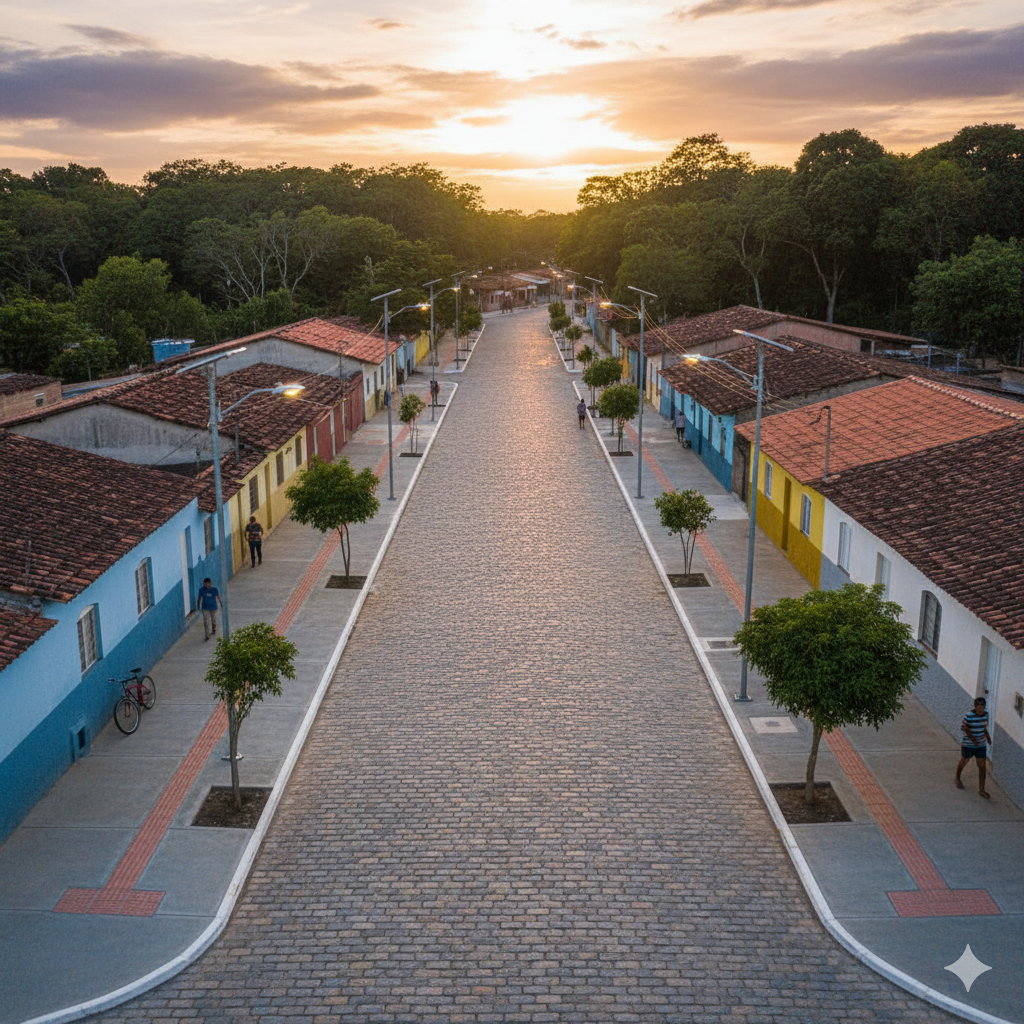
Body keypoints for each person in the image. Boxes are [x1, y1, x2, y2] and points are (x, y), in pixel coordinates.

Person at [956, 696, 992, 798]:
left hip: (981, 745)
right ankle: (957, 778)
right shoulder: (969, 716)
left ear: (984, 706)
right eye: (977, 705)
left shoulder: (986, 715)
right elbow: (964, 728)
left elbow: (984, 727)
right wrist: (974, 740)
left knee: (982, 766)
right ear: (975, 706)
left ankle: (982, 789)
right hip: (968, 744)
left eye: (982, 705)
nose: (980, 707)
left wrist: (988, 737)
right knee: (964, 761)